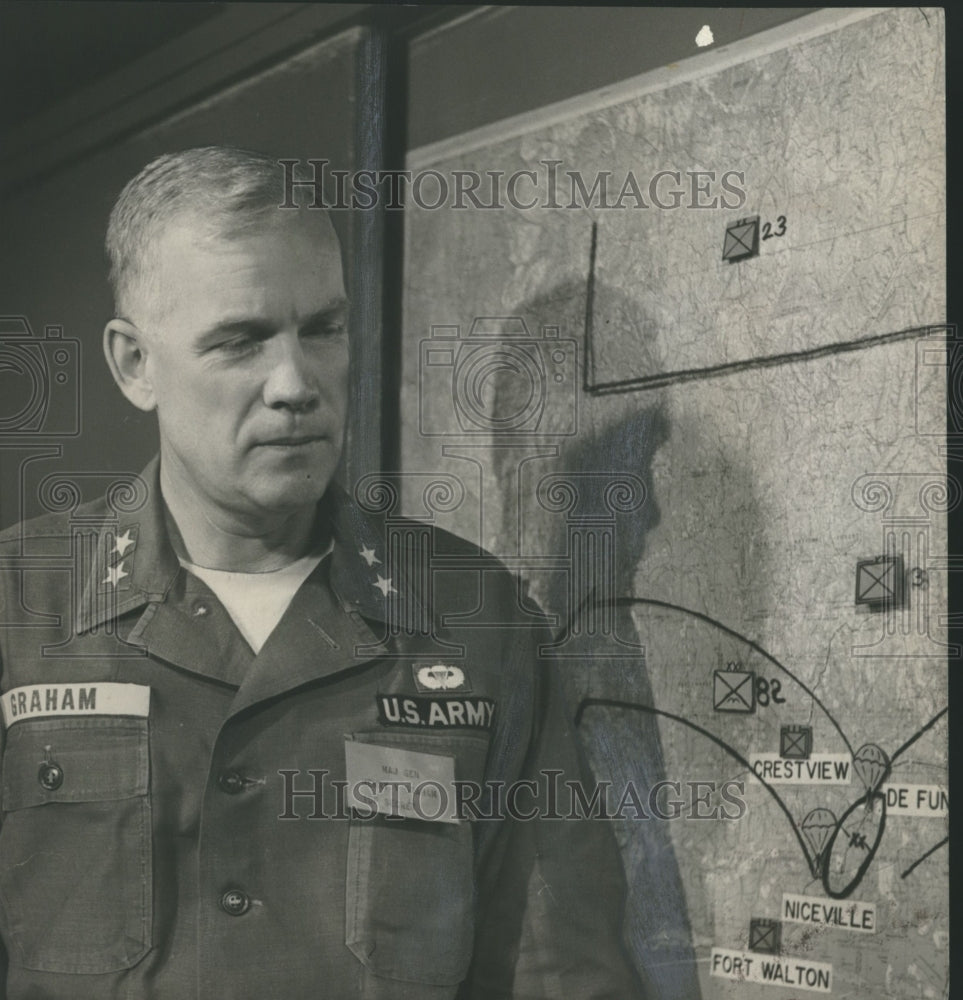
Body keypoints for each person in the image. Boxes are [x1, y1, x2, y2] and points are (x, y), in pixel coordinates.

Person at [0, 146, 648, 999]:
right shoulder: (21, 603)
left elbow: (556, 972)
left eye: (322, 330)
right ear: (135, 364)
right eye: (239, 341)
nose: (294, 383)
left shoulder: (475, 621)